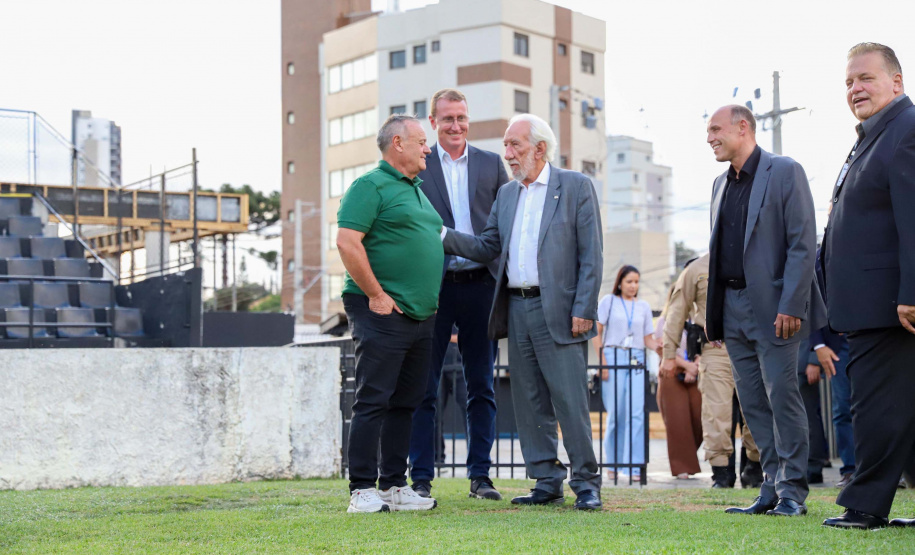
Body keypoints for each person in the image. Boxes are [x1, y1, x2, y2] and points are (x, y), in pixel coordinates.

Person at [441, 113, 603, 510]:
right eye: (506, 145)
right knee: (530, 400)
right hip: (516, 308)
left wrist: (584, 307)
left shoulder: (577, 187)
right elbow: (486, 246)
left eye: (515, 145)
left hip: (563, 311)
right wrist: (441, 235)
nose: (508, 154)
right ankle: (546, 480)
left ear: (540, 148)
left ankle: (586, 483)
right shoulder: (507, 195)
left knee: (569, 400)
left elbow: (591, 255)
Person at [705, 105, 825, 517]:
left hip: (776, 309)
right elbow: (718, 252)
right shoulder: (720, 183)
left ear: (743, 127)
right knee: (753, 402)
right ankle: (771, 486)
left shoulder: (785, 171)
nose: (710, 139)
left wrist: (792, 303)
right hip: (732, 307)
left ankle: (794, 491)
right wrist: (714, 316)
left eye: (716, 129)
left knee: (782, 397)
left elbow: (802, 243)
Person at [822, 43, 915, 530]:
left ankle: (865, 508)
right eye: (848, 82)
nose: (855, 88)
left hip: (891, 306)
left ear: (896, 83)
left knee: (876, 408)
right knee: (904, 411)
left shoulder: (906, 130)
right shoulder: (874, 135)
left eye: (866, 78)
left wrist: (912, 291)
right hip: (868, 305)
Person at [336, 114, 442, 513]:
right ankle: (361, 489)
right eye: (421, 141)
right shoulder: (369, 186)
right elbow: (348, 243)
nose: (427, 148)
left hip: (419, 315)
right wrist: (377, 295)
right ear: (398, 143)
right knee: (373, 398)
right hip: (380, 309)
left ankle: (394, 485)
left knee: (406, 401)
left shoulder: (417, 190)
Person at [409, 88, 509, 501]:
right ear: (433, 122)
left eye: (462, 118)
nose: (455, 126)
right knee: (423, 387)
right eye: (447, 118)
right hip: (433, 288)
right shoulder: (419, 165)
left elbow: (505, 223)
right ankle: (420, 477)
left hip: (481, 287)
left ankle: (480, 476)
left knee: (481, 385)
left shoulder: (491, 164)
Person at [661, 253, 762, 489]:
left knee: (757, 411)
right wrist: (669, 354)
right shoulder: (697, 269)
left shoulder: (757, 260)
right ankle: (721, 473)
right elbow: (677, 311)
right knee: (716, 413)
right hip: (716, 349)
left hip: (753, 348)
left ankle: (754, 467)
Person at [592, 266, 657, 482]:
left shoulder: (644, 307)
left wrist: (661, 346)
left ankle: (633, 466)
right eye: (629, 281)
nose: (633, 286)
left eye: (637, 281)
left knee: (636, 414)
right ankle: (613, 463)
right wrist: (602, 362)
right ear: (620, 282)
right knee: (616, 413)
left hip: (637, 358)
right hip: (613, 356)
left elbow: (648, 339)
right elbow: (597, 332)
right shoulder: (608, 301)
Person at [810, 245, 855, 488]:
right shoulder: (820, 253)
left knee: (879, 407)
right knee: (842, 408)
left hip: (873, 336)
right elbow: (812, 298)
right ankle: (850, 469)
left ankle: (887, 470)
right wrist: (817, 344)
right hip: (838, 344)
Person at [654, 278, 702, 480]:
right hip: (672, 374)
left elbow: (706, 345)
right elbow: (661, 349)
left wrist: (696, 366)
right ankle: (682, 467)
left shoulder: (699, 320)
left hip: (697, 374)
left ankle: (689, 459)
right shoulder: (664, 322)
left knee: (700, 420)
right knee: (677, 422)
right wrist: (686, 365)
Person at [796, 338, 829, 485]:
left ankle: (814, 469)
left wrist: (814, 360)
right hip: (787, 363)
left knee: (809, 419)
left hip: (803, 363)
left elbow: (817, 323)